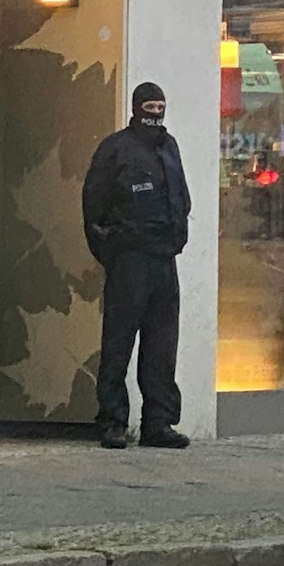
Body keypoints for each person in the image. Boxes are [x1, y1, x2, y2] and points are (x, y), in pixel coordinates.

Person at [82, 81, 191, 450]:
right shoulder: (115, 150)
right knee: (118, 342)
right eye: (150, 108)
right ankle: (113, 421)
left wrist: (176, 237)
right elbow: (94, 207)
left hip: (164, 259)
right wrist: (114, 250)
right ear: (136, 108)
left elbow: (181, 199)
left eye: (160, 107)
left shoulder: (169, 147)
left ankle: (158, 422)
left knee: (162, 345)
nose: (155, 114)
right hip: (129, 259)